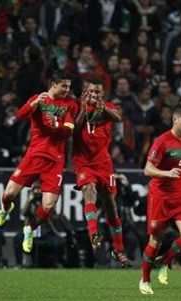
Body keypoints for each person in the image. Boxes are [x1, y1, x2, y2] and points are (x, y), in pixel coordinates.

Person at [0, 69, 77, 253]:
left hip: (55, 160)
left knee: (47, 206)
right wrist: (34, 105)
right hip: (34, 156)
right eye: (64, 86)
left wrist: (58, 125)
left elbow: (70, 128)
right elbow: (20, 115)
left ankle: (29, 229)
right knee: (7, 195)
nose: (66, 90)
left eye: (69, 87)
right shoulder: (39, 99)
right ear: (53, 84)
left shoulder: (70, 104)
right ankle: (6, 209)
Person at [139, 104, 181, 295]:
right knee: (155, 242)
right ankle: (145, 281)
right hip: (161, 197)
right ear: (175, 119)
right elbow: (147, 170)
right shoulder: (162, 141)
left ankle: (164, 262)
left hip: (180, 195)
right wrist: (166, 173)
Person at [72, 78, 131, 267]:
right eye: (91, 92)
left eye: (98, 92)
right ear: (85, 92)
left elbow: (117, 118)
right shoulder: (76, 107)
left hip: (103, 164)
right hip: (84, 163)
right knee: (89, 191)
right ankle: (93, 233)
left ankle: (119, 250)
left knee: (111, 206)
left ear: (102, 94)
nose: (94, 96)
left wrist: (101, 107)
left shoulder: (109, 108)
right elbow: (74, 131)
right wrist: (82, 109)